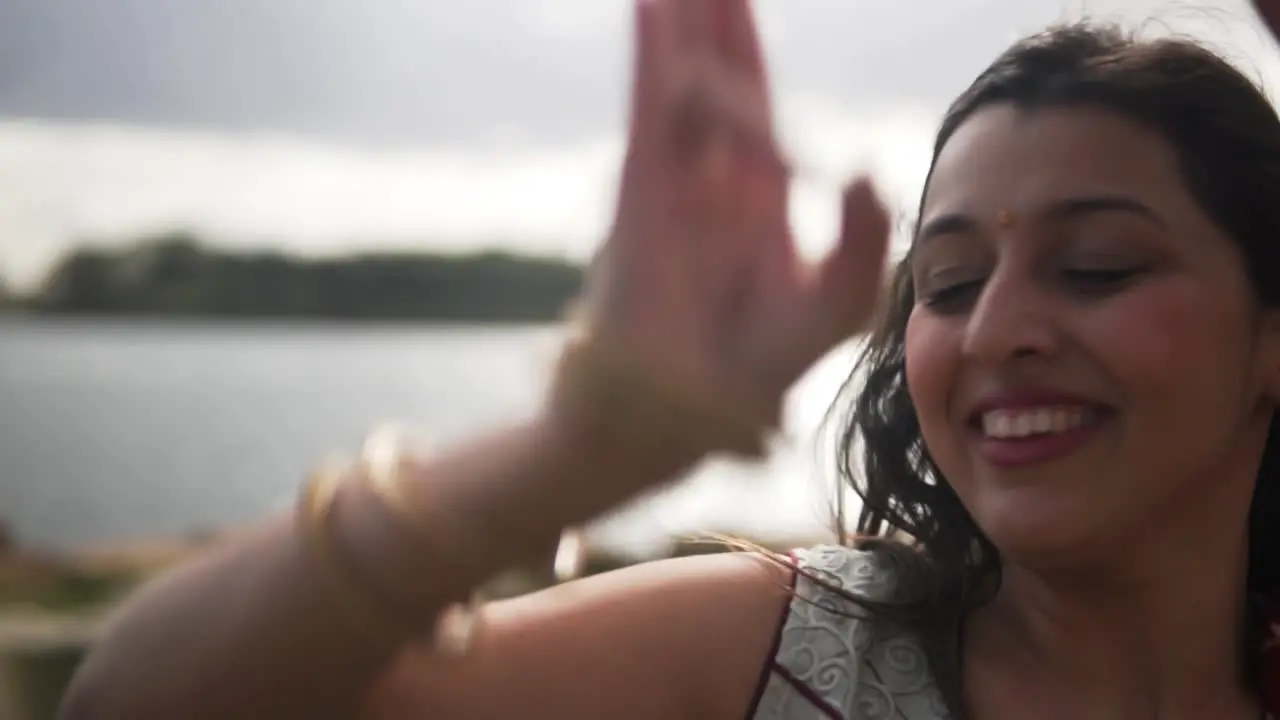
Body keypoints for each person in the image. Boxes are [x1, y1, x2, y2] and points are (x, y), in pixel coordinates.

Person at [57, 0, 1280, 718]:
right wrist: (580, 446)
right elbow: (134, 700)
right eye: (947, 283)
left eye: (1099, 267)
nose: (995, 331)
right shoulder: (777, 656)